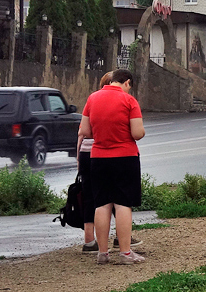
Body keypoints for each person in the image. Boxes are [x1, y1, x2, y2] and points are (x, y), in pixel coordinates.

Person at [80, 68, 146, 265]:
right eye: (129, 87)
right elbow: (137, 133)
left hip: (98, 158)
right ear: (126, 82)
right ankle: (125, 253)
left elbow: (85, 130)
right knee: (123, 203)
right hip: (125, 157)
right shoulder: (129, 101)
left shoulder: (92, 98)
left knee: (102, 204)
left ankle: (102, 253)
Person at [78, 71, 115, 252]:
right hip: (104, 152)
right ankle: (122, 237)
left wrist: (79, 159)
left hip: (86, 151)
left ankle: (88, 240)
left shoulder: (92, 100)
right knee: (115, 195)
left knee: (88, 195)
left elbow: (81, 132)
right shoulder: (118, 101)